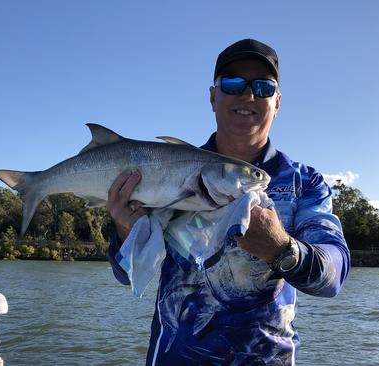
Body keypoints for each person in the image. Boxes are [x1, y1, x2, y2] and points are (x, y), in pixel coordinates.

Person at [106, 39, 350, 366]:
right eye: (233, 84)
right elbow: (126, 275)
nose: (248, 95)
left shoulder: (303, 183)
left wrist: (281, 248)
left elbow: (334, 276)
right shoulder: (167, 171)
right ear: (212, 97)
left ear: (277, 103)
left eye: (263, 87)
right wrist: (125, 228)